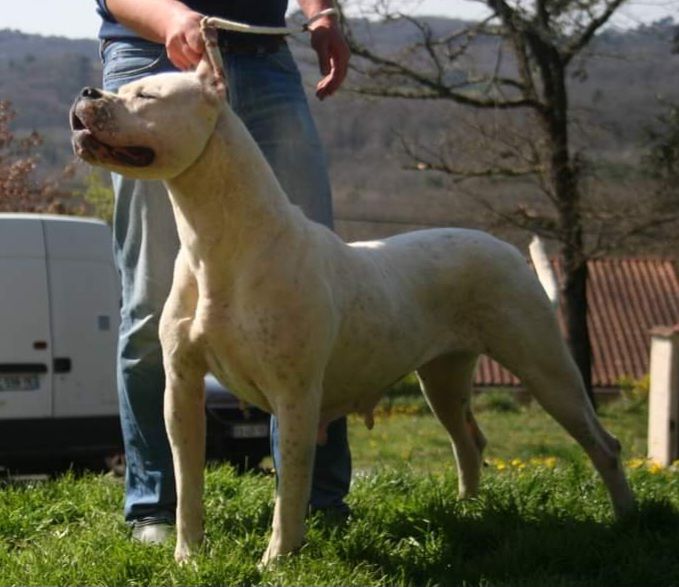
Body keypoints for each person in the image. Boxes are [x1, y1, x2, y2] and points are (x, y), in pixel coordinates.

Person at [94, 0, 352, 543]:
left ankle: (317, 503)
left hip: (264, 53)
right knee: (153, 302)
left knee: (314, 291)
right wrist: (170, 20)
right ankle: (155, 508)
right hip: (149, 56)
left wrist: (322, 11)